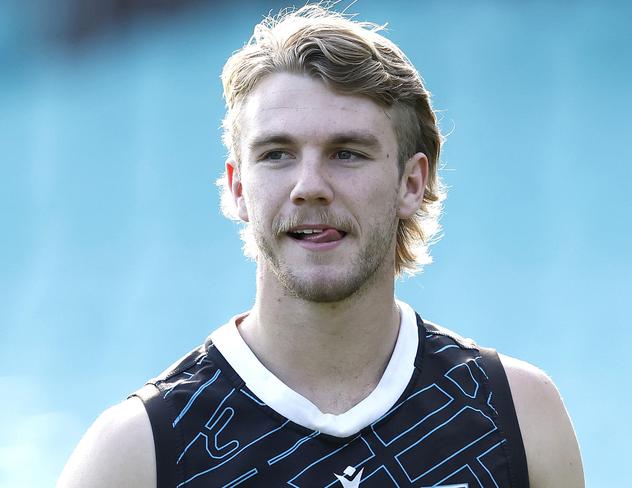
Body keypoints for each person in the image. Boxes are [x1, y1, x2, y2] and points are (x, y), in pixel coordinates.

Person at [58, 4, 584, 487]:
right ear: (239, 187)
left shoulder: (518, 415)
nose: (309, 185)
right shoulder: (137, 452)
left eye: (347, 153)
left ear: (411, 184)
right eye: (277, 155)